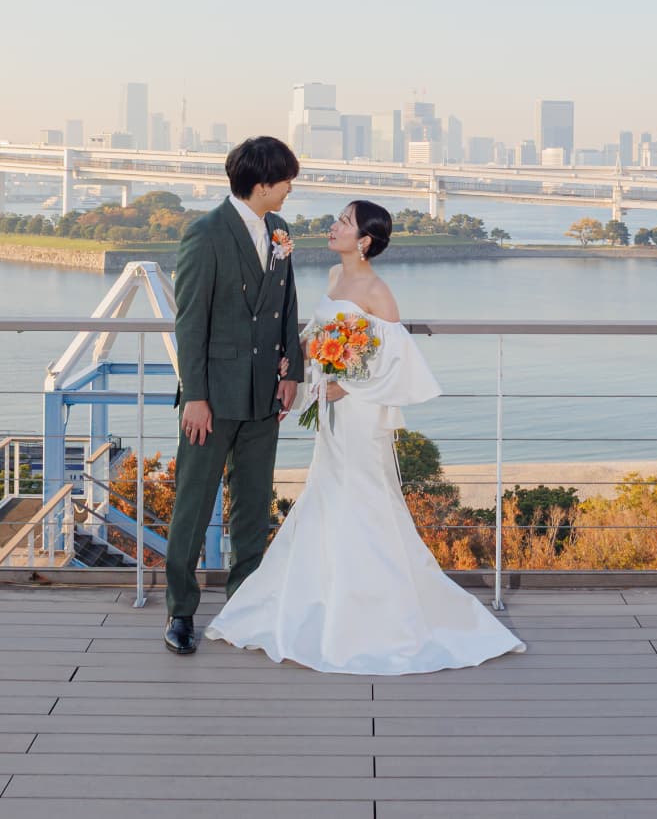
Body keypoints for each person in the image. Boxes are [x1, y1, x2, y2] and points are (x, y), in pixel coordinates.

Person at [205, 199, 524, 674]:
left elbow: (397, 359)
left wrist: (346, 383)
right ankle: (329, 602)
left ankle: (377, 616)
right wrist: (306, 365)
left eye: (343, 223)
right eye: (337, 219)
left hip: (358, 411)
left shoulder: (377, 289)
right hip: (331, 411)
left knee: (365, 498)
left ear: (365, 241)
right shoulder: (336, 279)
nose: (332, 227)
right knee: (328, 496)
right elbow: (320, 336)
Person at [163, 137, 305, 655]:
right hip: (213, 399)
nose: (292, 187)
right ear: (263, 183)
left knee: (252, 507)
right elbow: (189, 323)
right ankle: (180, 612)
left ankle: (246, 604)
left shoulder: (280, 231)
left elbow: (288, 305)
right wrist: (195, 397)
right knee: (193, 505)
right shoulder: (204, 234)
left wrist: (293, 372)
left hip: (266, 392)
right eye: (287, 178)